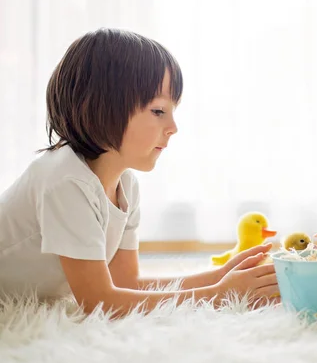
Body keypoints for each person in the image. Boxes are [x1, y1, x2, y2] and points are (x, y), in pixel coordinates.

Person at [0, 28, 279, 316]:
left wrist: (219, 276)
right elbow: (99, 302)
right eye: (159, 111)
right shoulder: (65, 180)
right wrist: (218, 295)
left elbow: (126, 282)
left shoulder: (126, 184)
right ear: (101, 107)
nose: (173, 127)